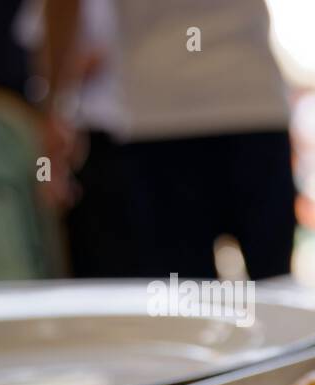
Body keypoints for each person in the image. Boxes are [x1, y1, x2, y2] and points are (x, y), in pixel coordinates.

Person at [43, 0, 296, 280]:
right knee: (274, 288)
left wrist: (55, 103)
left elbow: (63, 7)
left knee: (180, 298)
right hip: (251, 104)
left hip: (161, 115)